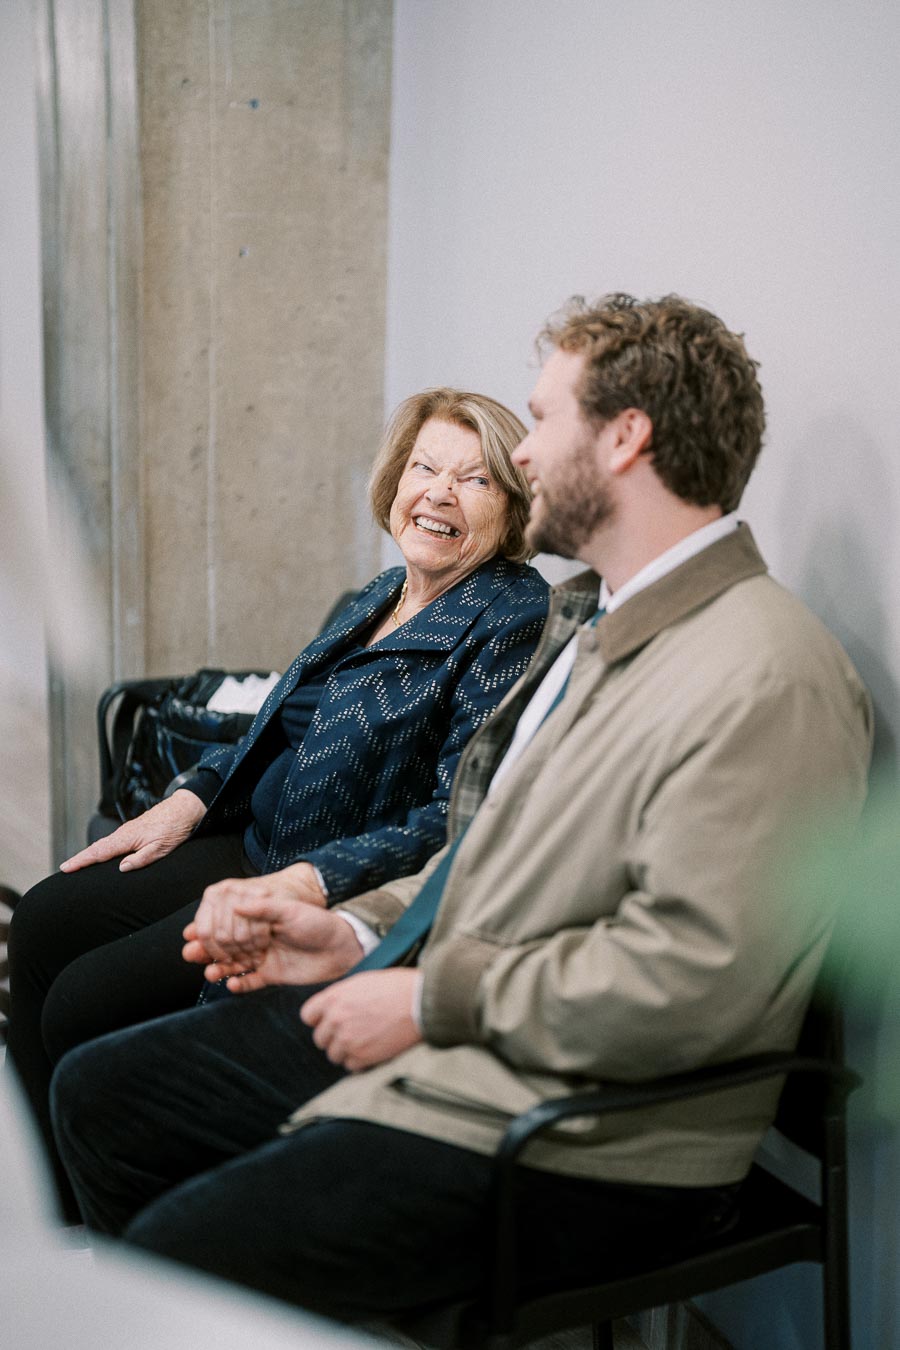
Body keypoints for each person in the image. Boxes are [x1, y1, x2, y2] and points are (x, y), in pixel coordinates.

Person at [49, 295, 872, 1327]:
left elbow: (690, 981)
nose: (522, 455)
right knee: (99, 1094)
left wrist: (428, 999)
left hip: (592, 1141)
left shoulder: (767, 675)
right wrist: (352, 932)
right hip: (472, 1036)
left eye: (541, 420)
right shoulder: (594, 624)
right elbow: (484, 851)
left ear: (626, 437)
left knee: (181, 1253)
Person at [6, 386, 548, 1211]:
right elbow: (273, 726)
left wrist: (307, 882)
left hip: (319, 872)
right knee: (46, 917)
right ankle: (55, 1219)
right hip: (251, 836)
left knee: (85, 1002)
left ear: (511, 512)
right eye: (424, 467)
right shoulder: (381, 593)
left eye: (474, 481)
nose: (437, 491)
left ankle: (121, 1233)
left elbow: (455, 813)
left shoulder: (510, 615)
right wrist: (190, 795)